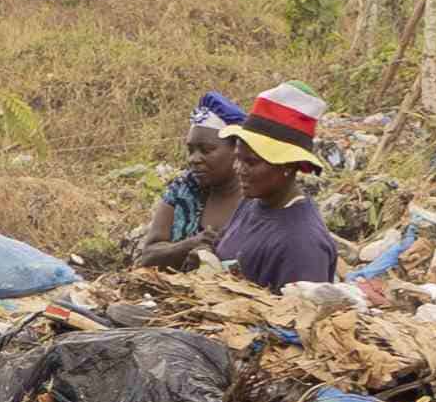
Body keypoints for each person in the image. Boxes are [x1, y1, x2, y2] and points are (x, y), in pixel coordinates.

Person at [214, 82, 340, 292]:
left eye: (251, 162)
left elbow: (300, 319)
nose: (239, 169)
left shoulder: (302, 244)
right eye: (238, 158)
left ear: (288, 166)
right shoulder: (253, 201)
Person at [130, 94, 247, 270]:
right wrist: (187, 245)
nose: (194, 159)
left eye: (206, 150)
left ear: (236, 150)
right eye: (191, 150)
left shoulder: (256, 196)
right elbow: (148, 256)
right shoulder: (184, 189)